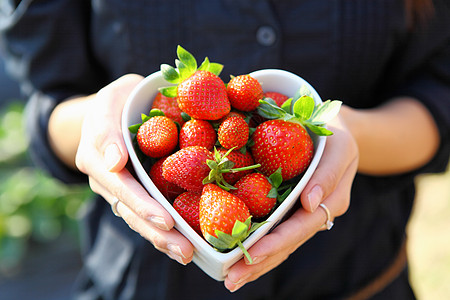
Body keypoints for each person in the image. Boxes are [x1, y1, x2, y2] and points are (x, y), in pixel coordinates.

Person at [1, 0, 449, 299]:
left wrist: (349, 133)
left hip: (359, 279)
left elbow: (438, 97)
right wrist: (107, 123)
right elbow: (49, 104)